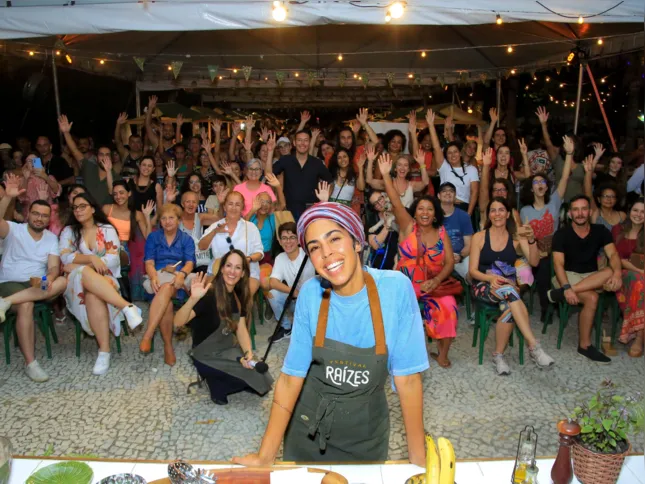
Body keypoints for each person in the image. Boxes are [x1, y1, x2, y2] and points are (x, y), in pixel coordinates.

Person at [233, 202, 428, 467]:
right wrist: (265, 456)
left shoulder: (395, 290)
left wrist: (419, 464)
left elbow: (408, 381)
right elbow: (290, 379)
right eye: (314, 248)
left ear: (357, 242)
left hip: (366, 441)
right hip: (307, 434)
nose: (326, 254)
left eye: (335, 239)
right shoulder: (311, 295)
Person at [378, 153, 457, 368]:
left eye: (429, 209)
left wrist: (438, 280)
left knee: (448, 305)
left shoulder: (441, 233)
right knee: (399, 309)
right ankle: (396, 350)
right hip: (406, 283)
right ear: (415, 211)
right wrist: (386, 175)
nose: (424, 212)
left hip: (433, 283)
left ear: (435, 214)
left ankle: (442, 354)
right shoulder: (407, 225)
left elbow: (450, 262)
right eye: (421, 208)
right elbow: (395, 200)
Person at [59, 192, 143, 375]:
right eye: (75, 207)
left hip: (106, 280)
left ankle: (104, 351)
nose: (78, 210)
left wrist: (79, 262)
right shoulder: (69, 231)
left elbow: (113, 260)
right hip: (75, 283)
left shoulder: (106, 229)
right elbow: (64, 257)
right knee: (83, 272)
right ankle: (127, 307)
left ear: (93, 209)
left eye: (82, 206)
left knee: (92, 294)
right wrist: (92, 259)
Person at [469, 197, 554, 375]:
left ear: (508, 214)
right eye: (493, 210)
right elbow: (473, 271)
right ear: (489, 214)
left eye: (501, 210)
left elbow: (534, 262)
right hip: (484, 284)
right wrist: (490, 279)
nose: (497, 214)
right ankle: (534, 347)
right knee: (510, 292)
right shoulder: (479, 237)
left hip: (508, 289)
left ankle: (498, 356)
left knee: (509, 309)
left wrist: (531, 241)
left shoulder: (516, 238)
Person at [174, 256, 273, 405]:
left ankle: (225, 380)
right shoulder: (208, 294)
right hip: (206, 355)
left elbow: (241, 330)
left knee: (261, 375)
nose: (232, 271)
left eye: (238, 267)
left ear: (243, 273)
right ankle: (215, 383)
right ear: (221, 269)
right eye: (228, 266)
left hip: (227, 349)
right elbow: (177, 322)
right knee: (246, 377)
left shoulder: (238, 296)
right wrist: (193, 299)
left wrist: (248, 354)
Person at [0, 175, 67, 382]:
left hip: (37, 283)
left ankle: (4, 303)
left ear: (49, 219)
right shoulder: (14, 230)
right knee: (27, 304)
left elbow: (54, 266)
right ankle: (31, 363)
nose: (39, 218)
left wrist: (50, 276)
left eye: (44, 216)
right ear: (28, 214)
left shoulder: (51, 238)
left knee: (63, 281)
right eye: (36, 214)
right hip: (10, 282)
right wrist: (7, 198)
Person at [549, 194, 623, 363]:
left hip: (591, 276)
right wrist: (566, 286)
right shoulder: (561, 234)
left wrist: (618, 273)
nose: (580, 213)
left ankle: (559, 293)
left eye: (583, 209)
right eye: (575, 210)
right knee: (592, 297)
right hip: (567, 276)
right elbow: (558, 264)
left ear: (590, 212)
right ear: (570, 214)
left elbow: (613, 254)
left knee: (611, 270)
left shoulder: (601, 231)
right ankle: (584, 345)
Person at [520, 135, 574, 321]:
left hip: (556, 250)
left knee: (553, 267)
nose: (540, 184)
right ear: (531, 188)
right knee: (542, 271)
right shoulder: (525, 210)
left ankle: (556, 301)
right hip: (536, 252)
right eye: (536, 182)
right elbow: (525, 237)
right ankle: (546, 307)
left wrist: (569, 154)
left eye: (543, 182)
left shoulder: (554, 203)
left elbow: (565, 178)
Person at [139, 203, 196, 365]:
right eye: (163, 218)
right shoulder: (153, 237)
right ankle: (168, 346)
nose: (167, 221)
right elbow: (149, 261)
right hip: (159, 277)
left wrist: (182, 275)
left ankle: (148, 335)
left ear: (178, 220)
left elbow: (190, 263)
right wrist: (152, 276)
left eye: (171, 218)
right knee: (166, 298)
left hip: (179, 278)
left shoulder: (186, 239)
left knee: (167, 289)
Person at [198, 191, 264, 299]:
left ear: (242, 208)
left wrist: (247, 259)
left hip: (247, 272)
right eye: (230, 204)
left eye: (237, 205)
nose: (233, 208)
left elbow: (259, 253)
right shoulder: (215, 226)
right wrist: (215, 231)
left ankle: (243, 314)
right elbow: (201, 247)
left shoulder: (251, 227)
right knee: (212, 296)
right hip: (218, 272)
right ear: (224, 207)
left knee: (245, 298)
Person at [266, 222, 316, 343]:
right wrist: (294, 292)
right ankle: (286, 327)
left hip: (311, 300)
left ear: (299, 240)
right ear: (280, 241)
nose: (288, 241)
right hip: (294, 298)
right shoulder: (280, 258)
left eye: (292, 237)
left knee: (308, 335)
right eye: (284, 238)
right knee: (272, 293)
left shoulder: (308, 254)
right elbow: (273, 282)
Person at [266, 130, 333, 220]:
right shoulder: (286, 160)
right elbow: (268, 175)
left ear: (309, 143)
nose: (302, 143)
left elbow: (331, 182)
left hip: (311, 210)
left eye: (305, 140)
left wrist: (324, 199)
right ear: (294, 142)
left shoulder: (317, 163)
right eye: (299, 140)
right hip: (289, 210)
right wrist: (270, 152)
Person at [427, 110, 480, 216]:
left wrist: (468, 215)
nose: (453, 155)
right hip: (444, 208)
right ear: (446, 156)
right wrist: (431, 126)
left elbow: (474, 193)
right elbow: (436, 147)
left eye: (455, 152)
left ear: (460, 153)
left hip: (463, 208)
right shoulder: (444, 167)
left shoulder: (471, 169)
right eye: (449, 153)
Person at [59, 115, 118, 205]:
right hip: (87, 213)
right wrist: (66, 133)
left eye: (107, 155)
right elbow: (75, 151)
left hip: (106, 216)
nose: (104, 157)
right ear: (97, 157)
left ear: (112, 158)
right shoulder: (88, 167)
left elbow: (113, 193)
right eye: (101, 154)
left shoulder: (117, 177)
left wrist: (109, 171)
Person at [611, 198, 644, 357]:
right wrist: (638, 270)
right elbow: (615, 257)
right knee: (638, 282)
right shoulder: (618, 230)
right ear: (630, 211)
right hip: (621, 273)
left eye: (643, 212)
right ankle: (638, 338)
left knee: (641, 282)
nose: (639, 214)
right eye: (636, 210)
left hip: (642, 274)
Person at [536, 106, 586, 202]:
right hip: (559, 202)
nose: (568, 144)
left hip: (578, 204)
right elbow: (548, 144)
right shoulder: (558, 159)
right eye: (565, 142)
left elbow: (586, 186)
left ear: (576, 145)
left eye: (571, 142)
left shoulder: (582, 164)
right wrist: (543, 124)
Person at [17, 154, 63, 235]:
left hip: (49, 217)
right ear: (25, 165)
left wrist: (44, 176)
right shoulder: (21, 179)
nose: (33, 163)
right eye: (29, 161)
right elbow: (21, 198)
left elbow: (57, 191)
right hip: (30, 217)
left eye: (35, 161)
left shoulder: (48, 177)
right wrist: (26, 178)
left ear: (40, 163)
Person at [178, 191, 220, 273]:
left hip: (199, 260)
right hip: (181, 259)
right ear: (182, 204)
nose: (191, 204)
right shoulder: (176, 219)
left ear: (197, 204)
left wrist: (221, 204)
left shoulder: (200, 217)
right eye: (188, 202)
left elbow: (219, 219)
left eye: (194, 202)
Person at [438, 182, 473, 279]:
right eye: (444, 191)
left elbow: (469, 244)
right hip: (439, 257)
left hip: (459, 257)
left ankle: (473, 292)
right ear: (439, 196)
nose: (448, 193)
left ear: (455, 196)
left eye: (451, 191)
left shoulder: (464, 216)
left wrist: (460, 256)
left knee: (471, 271)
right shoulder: (433, 217)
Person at [583, 156, 626, 230]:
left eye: (612, 196)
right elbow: (588, 194)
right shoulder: (595, 213)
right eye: (605, 196)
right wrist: (588, 173)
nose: (609, 199)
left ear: (616, 200)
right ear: (599, 199)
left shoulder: (622, 216)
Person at [366, 191, 399, 271]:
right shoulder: (373, 220)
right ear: (374, 208)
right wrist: (386, 225)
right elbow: (375, 245)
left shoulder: (399, 210)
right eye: (375, 204)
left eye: (380, 199)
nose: (380, 204)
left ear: (385, 196)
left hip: (399, 257)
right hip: (381, 262)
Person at [127, 156, 163, 224]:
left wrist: (153, 220)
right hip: (131, 219)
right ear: (139, 166)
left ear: (153, 169)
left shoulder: (157, 186)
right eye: (144, 165)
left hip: (149, 220)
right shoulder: (129, 182)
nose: (146, 168)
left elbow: (159, 209)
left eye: (149, 166)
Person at [114, 113, 144, 179]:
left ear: (141, 144)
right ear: (129, 143)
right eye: (132, 142)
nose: (135, 144)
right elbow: (118, 141)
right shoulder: (125, 154)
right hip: (124, 187)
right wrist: (118, 124)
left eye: (138, 142)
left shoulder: (144, 156)